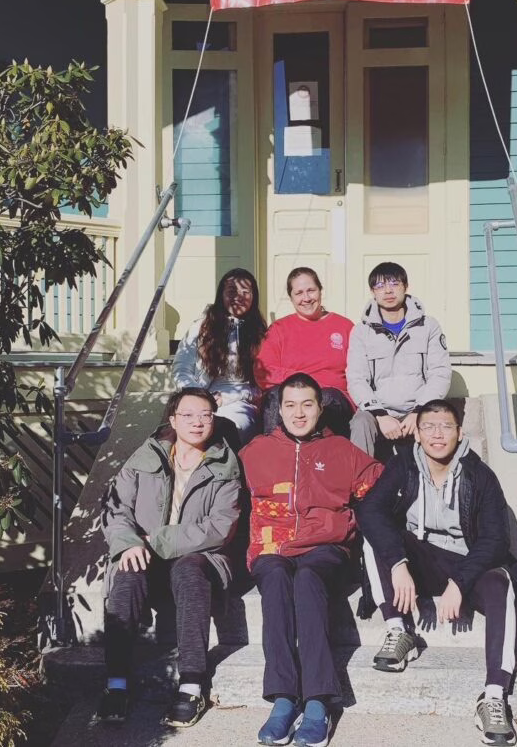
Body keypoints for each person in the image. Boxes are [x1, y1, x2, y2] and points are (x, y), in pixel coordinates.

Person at [356, 400, 517, 747]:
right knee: (377, 539)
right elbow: (370, 510)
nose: (437, 434)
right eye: (429, 426)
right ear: (416, 433)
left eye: (446, 426)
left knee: (501, 582)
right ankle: (399, 631)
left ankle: (493, 696)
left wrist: (459, 583)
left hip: (465, 564)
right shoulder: (403, 464)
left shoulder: (480, 475)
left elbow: (495, 539)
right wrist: (399, 563)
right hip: (420, 561)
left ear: (460, 432)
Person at [240, 373, 383, 747]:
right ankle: (284, 699)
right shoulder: (256, 451)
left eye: (307, 404)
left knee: (307, 580)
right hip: (273, 547)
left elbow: (382, 492)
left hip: (326, 546)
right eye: (290, 405)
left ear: (320, 408)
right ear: (279, 409)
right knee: (273, 580)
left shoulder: (342, 450)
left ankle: (318, 701)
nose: (298, 413)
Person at [96, 388, 242, 728]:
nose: (197, 422)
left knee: (190, 572)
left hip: (199, 557)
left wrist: (155, 541)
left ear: (214, 419)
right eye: (188, 415)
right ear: (173, 420)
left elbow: (219, 528)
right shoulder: (145, 458)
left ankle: (191, 683)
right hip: (144, 554)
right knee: (129, 572)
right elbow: (115, 508)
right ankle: (116, 682)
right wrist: (129, 543)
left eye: (205, 415)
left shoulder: (225, 464)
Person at [347, 262, 451, 458]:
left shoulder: (428, 326)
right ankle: (361, 486)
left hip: (419, 408)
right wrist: (380, 414)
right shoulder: (361, 331)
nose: (388, 291)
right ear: (372, 292)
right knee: (360, 422)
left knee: (440, 423)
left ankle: (439, 484)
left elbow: (440, 373)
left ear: (406, 286)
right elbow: (356, 378)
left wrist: (419, 410)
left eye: (394, 283)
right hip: (379, 410)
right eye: (380, 286)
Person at [254, 267, 355, 436]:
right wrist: (303, 384)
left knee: (327, 399)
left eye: (311, 290)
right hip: (291, 394)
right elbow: (263, 372)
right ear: (291, 297)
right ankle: (272, 454)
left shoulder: (344, 326)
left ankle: (329, 459)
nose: (306, 298)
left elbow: (358, 370)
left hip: (332, 395)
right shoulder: (279, 329)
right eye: (299, 293)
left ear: (320, 290)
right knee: (273, 399)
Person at [173, 268, 267, 448]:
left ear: (253, 297)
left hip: (240, 401)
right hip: (198, 396)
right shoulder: (202, 326)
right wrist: (198, 397)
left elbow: (260, 388)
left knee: (227, 428)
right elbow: (182, 369)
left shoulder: (260, 333)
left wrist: (228, 398)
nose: (238, 297)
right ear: (221, 295)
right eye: (231, 291)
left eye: (245, 292)